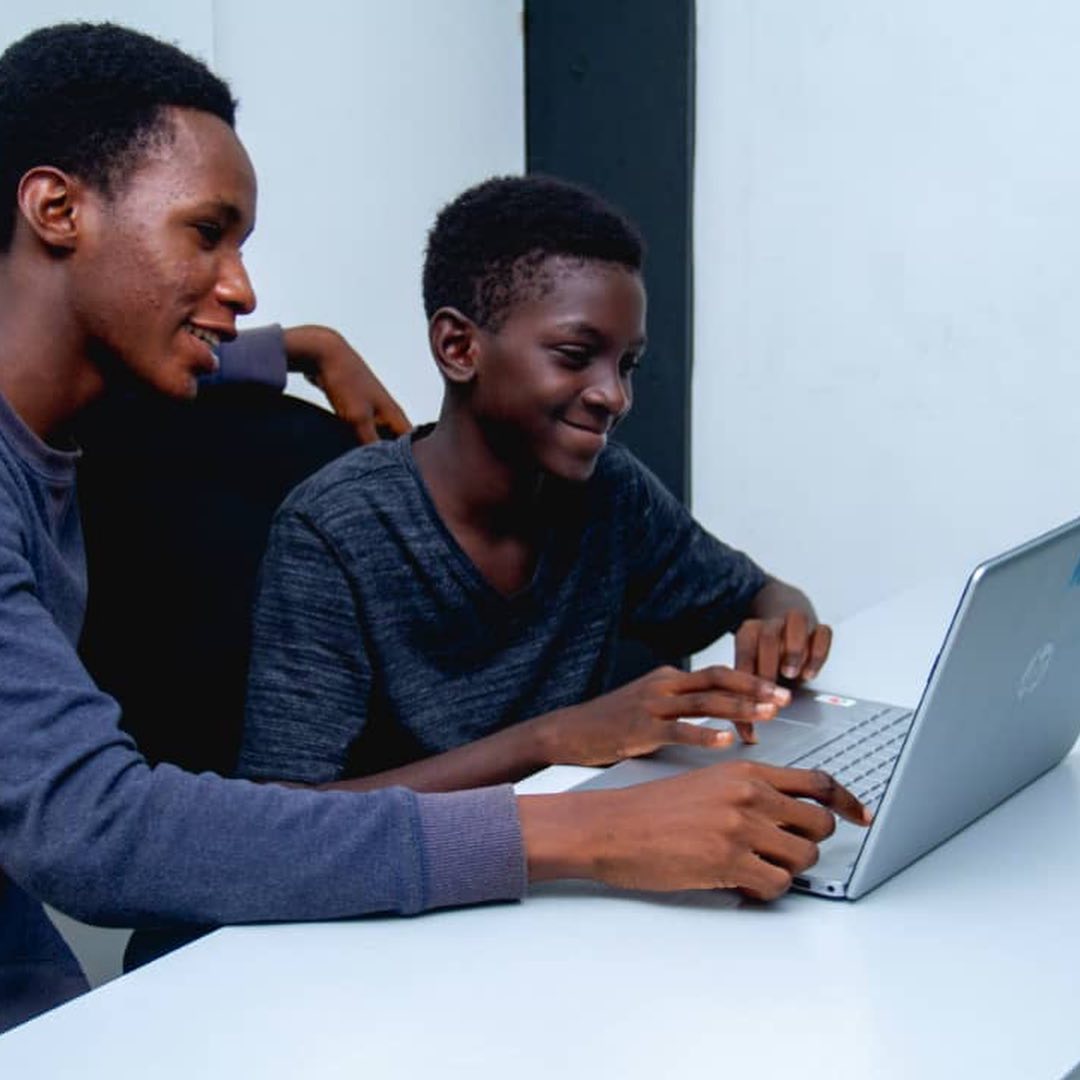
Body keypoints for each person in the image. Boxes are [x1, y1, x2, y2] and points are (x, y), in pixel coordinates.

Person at [0, 21, 866, 1033]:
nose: (241, 286)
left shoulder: (67, 417)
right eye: (206, 233)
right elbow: (99, 830)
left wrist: (302, 348)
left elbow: (160, 339)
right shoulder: (332, 522)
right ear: (56, 209)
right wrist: (577, 831)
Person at [239, 175, 837, 793]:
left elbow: (760, 594)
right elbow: (284, 816)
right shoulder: (334, 531)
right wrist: (551, 739)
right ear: (458, 347)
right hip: (428, 857)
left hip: (580, 843)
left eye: (627, 364)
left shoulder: (611, 490)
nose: (615, 396)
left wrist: (782, 626)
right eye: (575, 355)